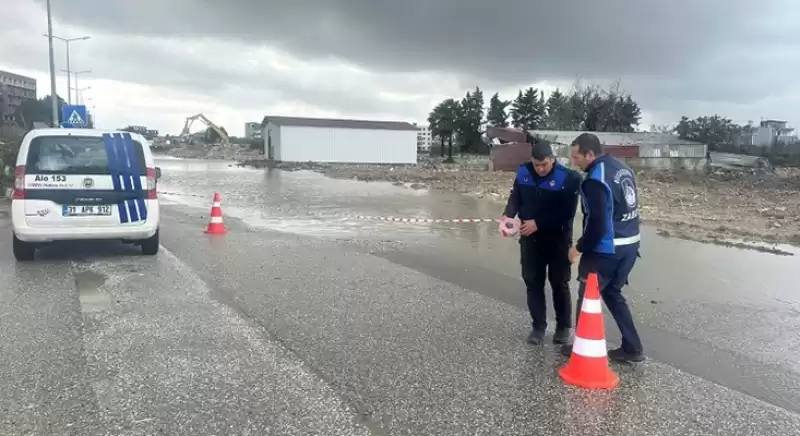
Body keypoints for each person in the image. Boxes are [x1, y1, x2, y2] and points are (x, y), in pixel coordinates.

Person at [562, 133, 645, 363]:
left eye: (577, 157)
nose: (574, 162)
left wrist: (578, 248)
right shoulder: (621, 168)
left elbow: (598, 223)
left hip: (607, 250)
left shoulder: (595, 179)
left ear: (590, 154)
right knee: (612, 293)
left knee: (587, 296)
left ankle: (582, 346)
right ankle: (633, 347)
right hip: (630, 245)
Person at [503, 140, 582, 345]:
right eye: (536, 165)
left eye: (544, 165)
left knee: (559, 283)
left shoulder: (569, 178)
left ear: (552, 160)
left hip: (557, 238)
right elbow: (515, 198)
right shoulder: (523, 173)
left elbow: (567, 212)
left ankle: (563, 327)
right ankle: (538, 326)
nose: (539, 169)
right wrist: (508, 217)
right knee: (532, 281)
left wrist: (538, 223)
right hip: (530, 238)